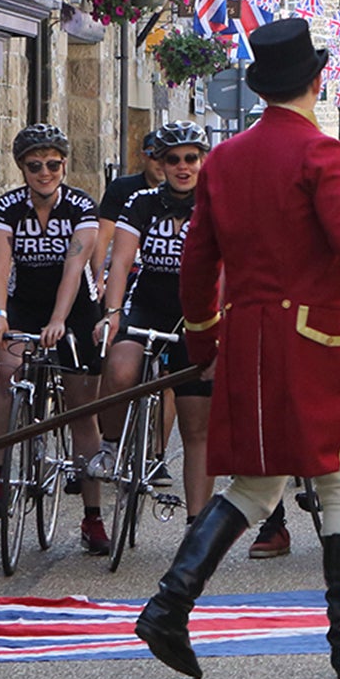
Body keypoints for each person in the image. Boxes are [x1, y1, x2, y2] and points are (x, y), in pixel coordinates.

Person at [135, 18, 340, 679]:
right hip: (317, 341)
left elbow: (196, 263)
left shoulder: (225, 159)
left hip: (247, 339)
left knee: (258, 484)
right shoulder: (322, 155)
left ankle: (170, 605)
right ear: (317, 81)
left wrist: (204, 337)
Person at [0, 124, 108, 552]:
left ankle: (93, 517)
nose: (44, 172)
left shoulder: (80, 207)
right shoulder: (7, 207)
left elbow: (75, 271)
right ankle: (0, 472)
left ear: (64, 166)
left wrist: (58, 321)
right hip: (25, 302)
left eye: (53, 165)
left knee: (80, 410)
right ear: (22, 168)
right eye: (34, 166)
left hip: (72, 309)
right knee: (8, 372)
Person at [96, 122, 215, 522]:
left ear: (202, 161)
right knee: (120, 367)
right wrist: (112, 315)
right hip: (148, 301)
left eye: (190, 159)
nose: (182, 167)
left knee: (196, 425)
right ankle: (112, 444)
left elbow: (231, 267)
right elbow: (122, 261)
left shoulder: (217, 203)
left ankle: (197, 525)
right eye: (172, 159)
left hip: (196, 312)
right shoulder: (142, 202)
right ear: (160, 164)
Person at [93, 130, 168, 298]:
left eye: (168, 157)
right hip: (127, 273)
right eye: (154, 154)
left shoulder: (189, 196)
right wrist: (98, 280)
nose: (161, 163)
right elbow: (103, 236)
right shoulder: (121, 189)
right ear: (144, 156)